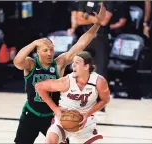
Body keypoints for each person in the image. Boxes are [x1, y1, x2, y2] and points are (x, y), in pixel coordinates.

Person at [13, 3, 106, 144]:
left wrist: (97, 25)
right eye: (45, 50)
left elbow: (80, 44)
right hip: (31, 113)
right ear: (37, 52)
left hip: (52, 114)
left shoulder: (59, 63)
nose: (50, 53)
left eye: (51, 49)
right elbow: (17, 61)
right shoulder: (31, 64)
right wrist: (33, 43)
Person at [35, 51, 110, 143]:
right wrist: (56, 109)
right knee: (50, 140)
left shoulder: (99, 81)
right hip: (64, 118)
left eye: (77, 63)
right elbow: (39, 87)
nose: (73, 65)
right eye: (73, 62)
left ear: (86, 66)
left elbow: (105, 100)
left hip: (86, 122)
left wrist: (87, 114)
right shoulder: (66, 82)